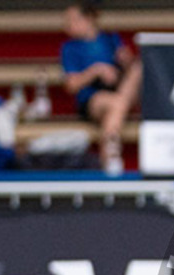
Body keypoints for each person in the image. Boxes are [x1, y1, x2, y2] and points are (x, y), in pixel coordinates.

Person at [60, 1, 142, 174]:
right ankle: (110, 153)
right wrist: (96, 71)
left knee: (137, 70)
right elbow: (71, 85)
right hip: (93, 99)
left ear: (89, 18)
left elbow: (127, 72)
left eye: (73, 19)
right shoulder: (70, 48)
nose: (67, 25)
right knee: (117, 103)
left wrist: (126, 61)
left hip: (119, 92)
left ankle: (110, 155)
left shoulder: (111, 39)